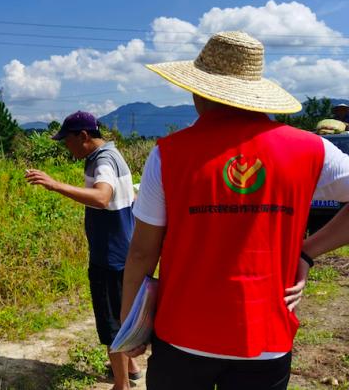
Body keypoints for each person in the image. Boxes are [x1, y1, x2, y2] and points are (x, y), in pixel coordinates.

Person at [120, 31, 349, 390]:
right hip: (265, 340)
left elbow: (142, 252)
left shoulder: (168, 155)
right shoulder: (311, 149)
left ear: (199, 91)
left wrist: (130, 324)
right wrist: (307, 252)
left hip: (182, 334)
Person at [25, 111, 141, 390]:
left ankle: (121, 384)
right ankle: (132, 367)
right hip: (124, 250)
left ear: (84, 137)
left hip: (108, 256)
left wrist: (55, 185)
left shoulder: (101, 161)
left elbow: (102, 197)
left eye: (67, 141)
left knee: (111, 321)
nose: (67, 147)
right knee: (123, 314)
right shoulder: (114, 154)